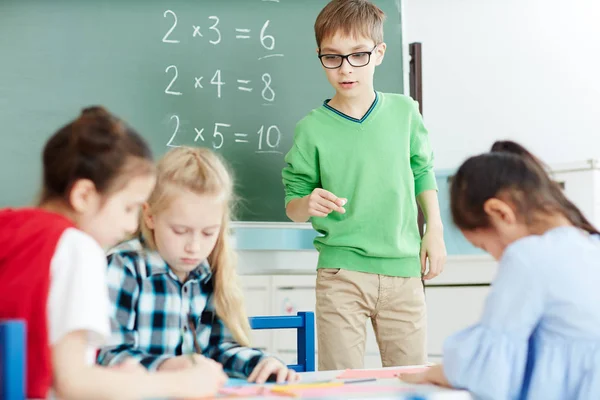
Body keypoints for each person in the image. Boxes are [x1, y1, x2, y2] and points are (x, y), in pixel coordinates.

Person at [403, 141, 600, 399]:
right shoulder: (591, 244)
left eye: (484, 246)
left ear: (499, 212)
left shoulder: (528, 256)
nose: (496, 258)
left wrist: (436, 373)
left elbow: (490, 370)